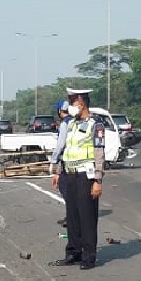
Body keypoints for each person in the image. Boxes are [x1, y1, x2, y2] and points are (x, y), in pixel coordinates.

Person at [52, 88, 104, 270]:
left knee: (87, 217)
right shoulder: (72, 124)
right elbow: (67, 148)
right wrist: (58, 171)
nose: (70, 105)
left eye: (72, 101)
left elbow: (99, 153)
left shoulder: (95, 125)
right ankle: (73, 252)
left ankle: (89, 257)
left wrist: (98, 180)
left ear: (81, 103)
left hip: (85, 176)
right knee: (72, 217)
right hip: (70, 174)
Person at [50, 99, 72, 227]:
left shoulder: (65, 124)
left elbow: (60, 144)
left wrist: (54, 160)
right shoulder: (74, 122)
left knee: (65, 189)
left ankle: (71, 218)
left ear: (59, 111)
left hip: (66, 161)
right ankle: (71, 217)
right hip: (74, 161)